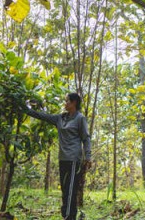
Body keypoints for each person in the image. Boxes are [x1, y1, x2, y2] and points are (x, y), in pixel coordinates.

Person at [24, 92, 91, 220]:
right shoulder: (60, 118)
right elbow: (42, 116)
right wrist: (27, 109)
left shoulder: (80, 118)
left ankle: (69, 216)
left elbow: (86, 139)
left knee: (71, 189)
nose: (65, 103)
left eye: (67, 101)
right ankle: (67, 215)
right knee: (65, 189)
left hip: (73, 159)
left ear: (74, 103)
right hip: (62, 158)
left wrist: (88, 157)